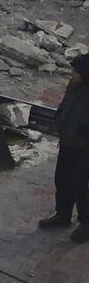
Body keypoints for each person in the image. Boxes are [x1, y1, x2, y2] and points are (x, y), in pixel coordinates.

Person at [41, 53, 89, 242]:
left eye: (76, 71)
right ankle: (63, 215)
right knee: (62, 179)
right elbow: (66, 104)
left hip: (85, 148)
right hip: (68, 141)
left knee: (80, 185)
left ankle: (86, 223)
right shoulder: (75, 84)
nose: (73, 74)